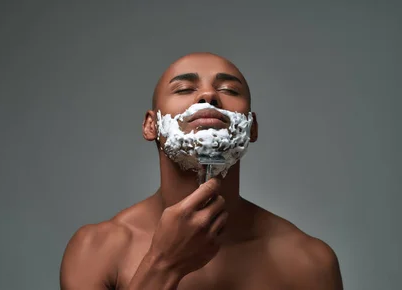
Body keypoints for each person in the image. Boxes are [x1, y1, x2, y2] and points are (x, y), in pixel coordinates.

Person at [59, 52, 343, 290]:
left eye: (229, 91)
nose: (208, 95)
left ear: (251, 127)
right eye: (184, 89)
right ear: (151, 125)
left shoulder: (308, 261)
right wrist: (163, 264)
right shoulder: (97, 250)